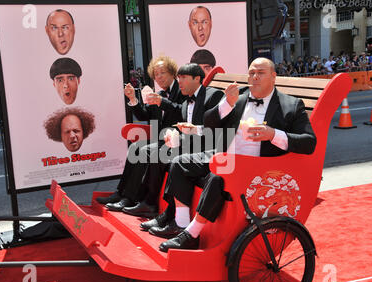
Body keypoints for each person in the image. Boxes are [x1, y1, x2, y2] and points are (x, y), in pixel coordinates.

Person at [150, 58, 317, 252]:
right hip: (226, 157)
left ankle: (192, 233)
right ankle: (181, 224)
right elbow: (210, 122)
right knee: (179, 163)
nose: (254, 77)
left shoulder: (291, 105)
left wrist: (273, 134)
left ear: (273, 76)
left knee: (218, 176)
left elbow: (309, 142)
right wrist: (226, 105)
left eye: (260, 73)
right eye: (251, 73)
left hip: (258, 168)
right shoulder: (240, 97)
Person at [136, 63, 224, 233]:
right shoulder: (185, 102)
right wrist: (175, 137)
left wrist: (187, 135)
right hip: (191, 147)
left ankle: (167, 214)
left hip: (210, 150)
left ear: (197, 79)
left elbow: (217, 131)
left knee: (171, 159)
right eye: (179, 78)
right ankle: (160, 210)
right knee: (160, 154)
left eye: (183, 78)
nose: (180, 82)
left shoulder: (213, 96)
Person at [95, 56, 186, 211]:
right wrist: (132, 98)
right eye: (156, 74)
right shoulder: (161, 94)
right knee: (135, 147)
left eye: (162, 73)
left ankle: (130, 198)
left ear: (172, 73)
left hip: (177, 141)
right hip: (161, 140)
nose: (159, 77)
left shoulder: (181, 90)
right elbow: (144, 116)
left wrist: (162, 102)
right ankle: (120, 192)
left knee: (144, 151)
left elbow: (182, 110)